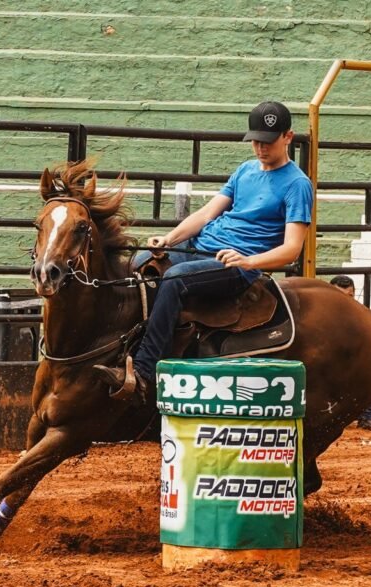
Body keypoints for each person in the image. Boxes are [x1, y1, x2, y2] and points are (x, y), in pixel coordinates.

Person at [95, 101, 313, 400]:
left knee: (175, 279)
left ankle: (145, 371)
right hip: (200, 247)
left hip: (237, 263)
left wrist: (249, 262)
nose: (260, 148)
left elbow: (291, 249)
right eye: (255, 141)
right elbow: (206, 214)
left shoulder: (297, 185)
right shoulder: (245, 170)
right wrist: (169, 239)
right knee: (139, 263)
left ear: (288, 137)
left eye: (268, 141)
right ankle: (119, 348)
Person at [329, 274, 371, 434]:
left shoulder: (359, 312)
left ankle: (368, 416)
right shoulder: (325, 313)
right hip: (332, 359)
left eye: (349, 296)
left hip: (352, 357)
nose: (345, 300)